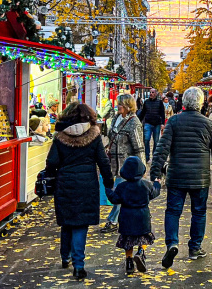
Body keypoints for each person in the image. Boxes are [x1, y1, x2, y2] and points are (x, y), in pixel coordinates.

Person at [150, 86, 212, 267]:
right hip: (199, 177)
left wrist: (155, 174)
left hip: (176, 175)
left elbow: (161, 149)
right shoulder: (208, 124)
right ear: (201, 103)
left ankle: (172, 244)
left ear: (184, 102)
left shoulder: (173, 122)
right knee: (199, 212)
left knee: (172, 211)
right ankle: (195, 248)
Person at [45, 102, 114, 280]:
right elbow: (103, 161)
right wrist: (108, 182)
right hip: (87, 185)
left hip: (65, 184)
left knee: (67, 221)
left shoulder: (60, 137)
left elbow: (51, 162)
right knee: (80, 224)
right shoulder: (94, 136)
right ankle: (79, 265)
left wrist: (54, 174)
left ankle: (65, 256)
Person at [105, 156, 161, 275]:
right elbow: (154, 193)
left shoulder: (122, 187)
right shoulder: (146, 185)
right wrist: (157, 183)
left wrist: (108, 191)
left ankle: (129, 261)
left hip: (127, 217)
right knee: (144, 237)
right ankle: (140, 252)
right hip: (143, 217)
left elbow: (115, 199)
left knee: (128, 241)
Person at [101, 94, 144, 233]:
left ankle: (113, 220)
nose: (117, 106)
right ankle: (124, 218)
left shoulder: (134, 122)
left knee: (120, 192)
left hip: (125, 164)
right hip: (113, 162)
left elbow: (139, 146)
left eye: (120, 104)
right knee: (120, 192)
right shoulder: (115, 118)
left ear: (127, 106)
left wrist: (141, 166)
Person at [141, 88, 166, 162]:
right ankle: (147, 156)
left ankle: (154, 156)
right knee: (146, 139)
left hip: (157, 124)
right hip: (148, 123)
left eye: (152, 92)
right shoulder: (146, 102)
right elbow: (143, 112)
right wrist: (139, 120)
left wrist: (162, 123)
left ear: (155, 93)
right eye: (150, 92)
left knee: (156, 141)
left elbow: (162, 113)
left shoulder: (159, 102)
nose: (151, 94)